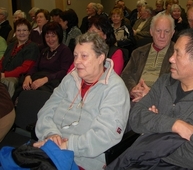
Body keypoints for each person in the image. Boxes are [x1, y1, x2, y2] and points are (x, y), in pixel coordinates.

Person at [120, 29, 193, 169]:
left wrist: (153, 127)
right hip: (146, 160)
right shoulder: (165, 82)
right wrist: (175, 125)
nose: (170, 59)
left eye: (177, 53)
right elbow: (136, 117)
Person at [34, 32, 130, 170]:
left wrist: (66, 145)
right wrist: (51, 134)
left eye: (84, 56)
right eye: (75, 55)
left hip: (83, 160)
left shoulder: (115, 89)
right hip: (49, 147)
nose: (77, 61)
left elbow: (105, 135)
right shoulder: (70, 78)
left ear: (100, 58)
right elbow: (46, 110)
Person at [12, 21, 73, 102]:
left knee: (32, 96)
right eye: (47, 36)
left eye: (53, 36)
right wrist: (28, 76)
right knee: (21, 90)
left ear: (59, 36)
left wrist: (45, 79)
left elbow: (64, 72)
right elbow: (35, 66)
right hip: (38, 79)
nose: (50, 39)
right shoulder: (44, 51)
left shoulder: (65, 51)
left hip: (53, 82)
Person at [121, 13, 175, 102]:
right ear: (151, 32)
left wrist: (151, 93)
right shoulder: (138, 52)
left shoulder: (178, 55)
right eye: (158, 31)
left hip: (162, 101)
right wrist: (133, 89)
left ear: (172, 33)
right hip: (136, 98)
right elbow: (126, 75)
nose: (162, 35)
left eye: (166, 31)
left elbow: (180, 83)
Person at [0, 18, 39, 96]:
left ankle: (8, 107)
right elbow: (2, 61)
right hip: (3, 75)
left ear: (29, 32)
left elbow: (25, 68)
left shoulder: (32, 47)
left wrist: (5, 75)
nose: (21, 33)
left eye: (24, 30)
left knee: (7, 82)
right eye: (18, 30)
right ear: (15, 32)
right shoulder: (11, 45)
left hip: (19, 78)